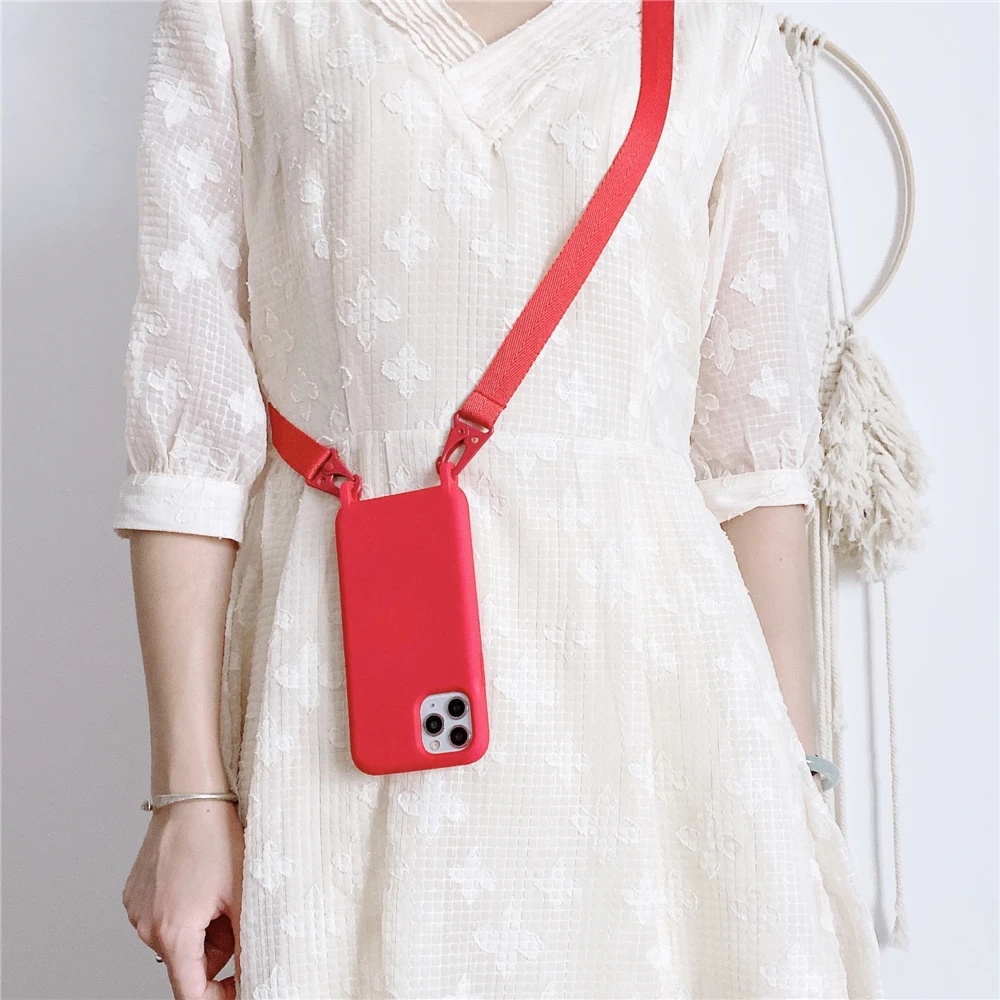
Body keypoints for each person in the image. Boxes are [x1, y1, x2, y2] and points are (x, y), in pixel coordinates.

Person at [115, 1, 885, 998]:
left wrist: (797, 784)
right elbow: (188, 444)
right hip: (346, 708)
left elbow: (753, 469)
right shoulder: (248, 16)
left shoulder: (721, 32)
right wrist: (186, 796)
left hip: (660, 718)